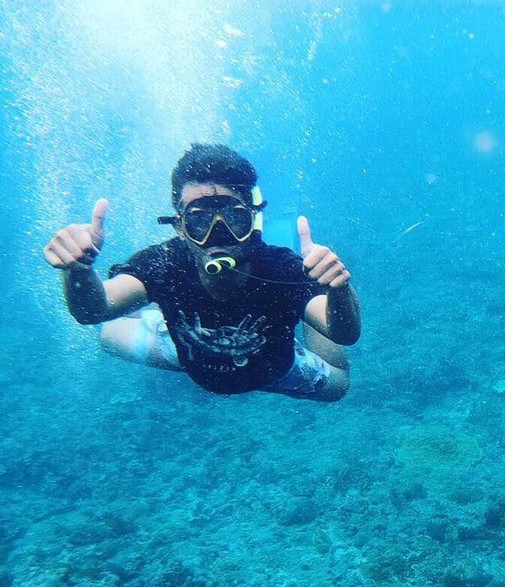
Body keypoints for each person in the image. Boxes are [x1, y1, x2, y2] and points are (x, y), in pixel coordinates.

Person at [43, 144, 361, 401]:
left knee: (340, 385)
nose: (216, 236)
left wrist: (337, 288)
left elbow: (345, 334)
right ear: (180, 225)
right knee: (107, 335)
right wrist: (78, 269)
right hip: (189, 359)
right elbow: (91, 311)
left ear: (252, 219)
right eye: (199, 221)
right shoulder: (164, 262)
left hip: (279, 368)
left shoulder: (282, 269)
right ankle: (164, 324)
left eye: (233, 219)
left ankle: (312, 300)